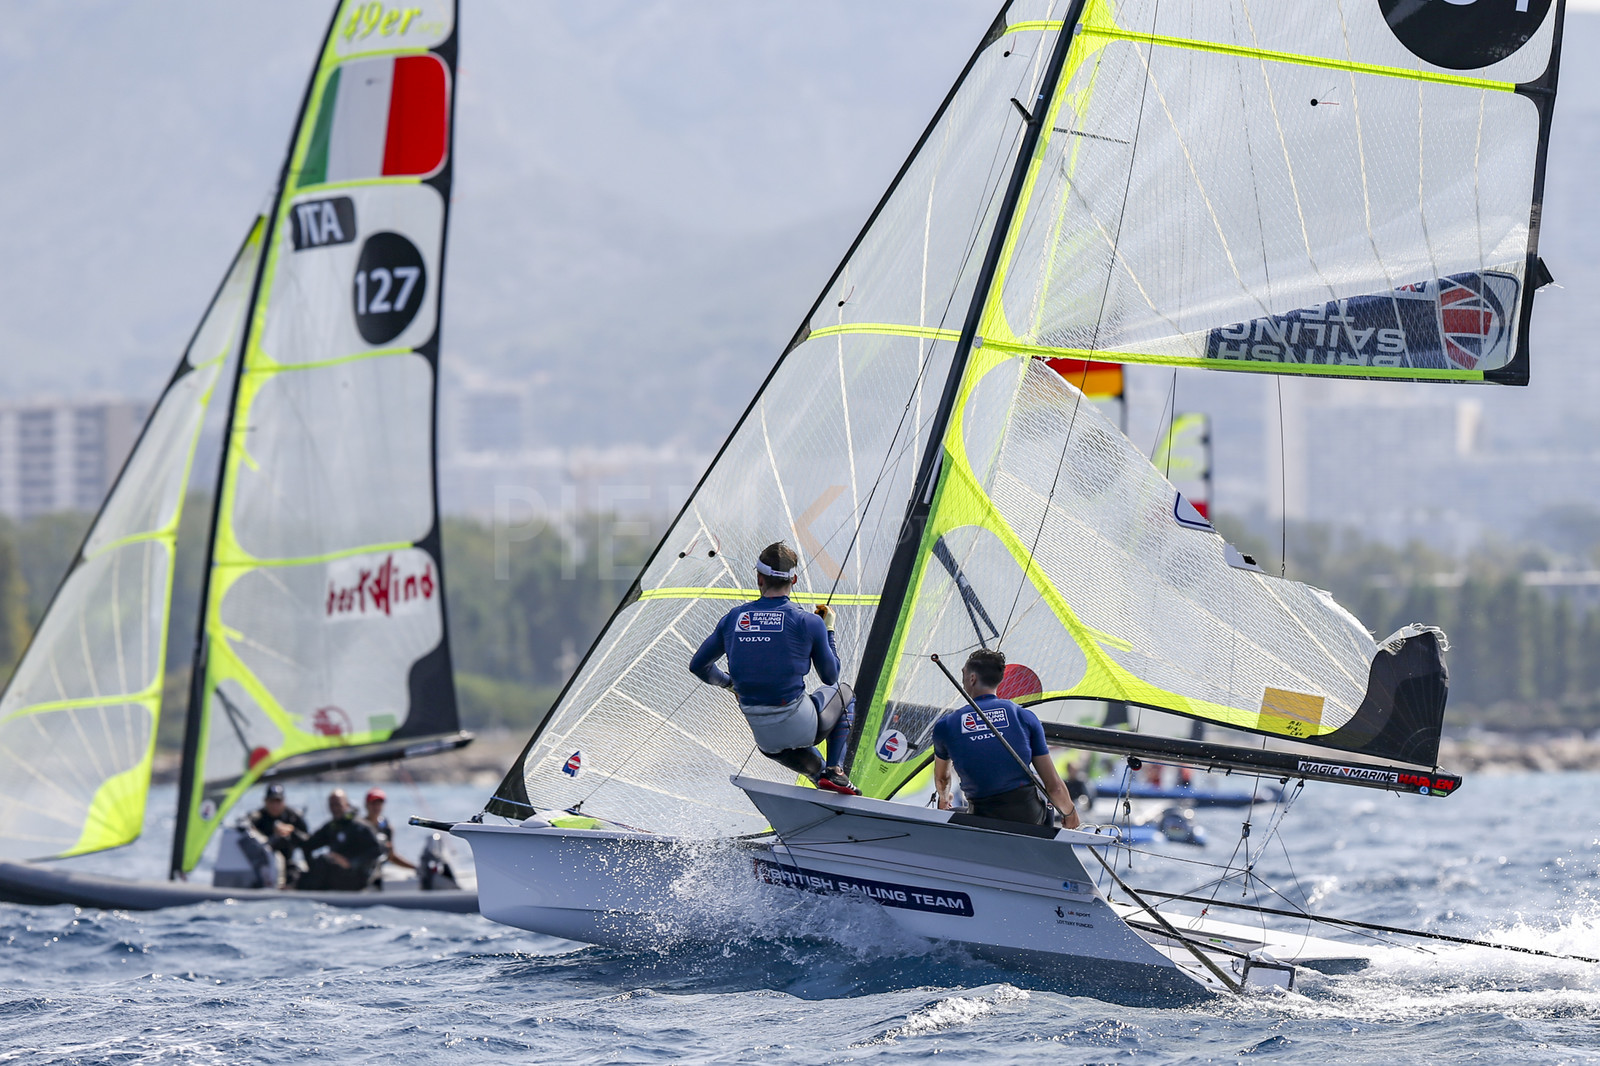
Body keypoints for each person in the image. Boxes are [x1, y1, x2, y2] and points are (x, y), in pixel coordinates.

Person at [688, 540, 859, 794]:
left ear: (759, 579)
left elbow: (698, 666)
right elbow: (830, 676)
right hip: (803, 727)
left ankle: (823, 780)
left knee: (812, 768)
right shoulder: (809, 622)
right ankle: (835, 771)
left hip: (766, 739)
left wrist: (729, 684)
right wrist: (828, 629)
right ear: (795, 580)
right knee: (844, 692)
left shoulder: (734, 618)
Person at [932, 649, 1080, 829]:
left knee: (957, 812)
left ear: (972, 678)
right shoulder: (1024, 716)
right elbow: (1054, 787)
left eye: (963, 674)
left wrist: (943, 799)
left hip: (981, 815)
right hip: (1027, 816)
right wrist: (1070, 814)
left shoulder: (945, 725)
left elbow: (942, 779)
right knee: (1041, 789)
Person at [297, 788, 383, 892]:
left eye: (338, 804)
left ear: (346, 804)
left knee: (323, 861)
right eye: (332, 805)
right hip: (337, 875)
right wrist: (292, 832)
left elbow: (377, 850)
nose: (335, 808)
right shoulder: (331, 827)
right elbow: (309, 844)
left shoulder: (360, 826)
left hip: (357, 879)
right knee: (316, 864)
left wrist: (351, 863)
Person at [247, 783, 309, 888]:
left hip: (288, 864)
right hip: (262, 866)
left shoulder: (293, 817)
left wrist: (292, 831)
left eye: (278, 801)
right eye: (272, 801)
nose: (275, 806)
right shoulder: (257, 818)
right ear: (265, 801)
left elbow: (309, 841)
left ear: (284, 801)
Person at [361, 788, 416, 884]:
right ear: (367, 805)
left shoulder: (386, 828)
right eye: (373, 803)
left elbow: (391, 856)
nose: (376, 807)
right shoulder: (359, 827)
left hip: (381, 869)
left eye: (379, 804)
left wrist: (414, 867)